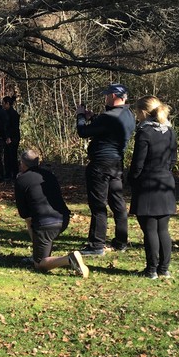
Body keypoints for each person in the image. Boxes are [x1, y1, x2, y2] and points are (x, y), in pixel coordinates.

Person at [75, 83, 136, 255]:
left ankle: (96, 245)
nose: (105, 98)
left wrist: (80, 116)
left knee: (98, 204)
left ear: (115, 96)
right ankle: (121, 241)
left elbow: (83, 132)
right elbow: (109, 128)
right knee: (117, 203)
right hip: (116, 163)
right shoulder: (128, 115)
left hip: (100, 164)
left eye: (107, 95)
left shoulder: (108, 117)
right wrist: (93, 117)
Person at [14, 150, 89, 278]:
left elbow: (24, 212)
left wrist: (29, 220)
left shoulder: (21, 179)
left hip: (45, 224)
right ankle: (40, 252)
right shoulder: (49, 175)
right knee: (44, 237)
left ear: (22, 164)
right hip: (63, 219)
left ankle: (69, 259)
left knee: (39, 264)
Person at [128, 96, 177, 279]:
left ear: (143, 112)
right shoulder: (170, 131)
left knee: (149, 229)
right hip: (165, 182)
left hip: (147, 184)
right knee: (163, 229)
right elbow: (172, 159)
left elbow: (138, 163)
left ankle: (151, 270)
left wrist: (132, 180)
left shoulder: (144, 132)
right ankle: (164, 269)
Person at [3, 96, 21, 181]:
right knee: (8, 156)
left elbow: (13, 127)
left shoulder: (13, 114)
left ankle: (14, 174)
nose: (2, 105)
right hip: (11, 137)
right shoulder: (7, 113)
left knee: (12, 156)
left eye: (4, 103)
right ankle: (9, 173)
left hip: (13, 138)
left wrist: (9, 137)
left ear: (7, 103)